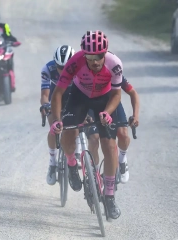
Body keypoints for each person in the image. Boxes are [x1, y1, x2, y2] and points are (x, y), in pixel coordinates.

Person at [50, 30, 125, 219]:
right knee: (68, 133)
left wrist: (107, 113)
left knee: (109, 146)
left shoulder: (114, 64)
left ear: (105, 53)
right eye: (90, 57)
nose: (95, 61)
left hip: (104, 99)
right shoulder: (75, 62)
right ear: (84, 54)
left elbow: (117, 95)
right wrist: (58, 120)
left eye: (99, 56)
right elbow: (58, 93)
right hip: (79, 97)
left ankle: (109, 197)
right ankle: (72, 164)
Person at [40, 45, 82, 185]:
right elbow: (45, 95)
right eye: (59, 66)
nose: (63, 70)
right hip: (55, 99)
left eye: (67, 67)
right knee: (54, 128)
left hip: (73, 98)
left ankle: (76, 152)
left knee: (76, 126)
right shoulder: (48, 69)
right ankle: (52, 163)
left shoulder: (81, 68)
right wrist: (45, 106)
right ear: (54, 63)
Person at [85, 76, 139, 184]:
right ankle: (94, 172)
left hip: (112, 103)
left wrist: (135, 116)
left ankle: (122, 160)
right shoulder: (85, 72)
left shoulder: (113, 71)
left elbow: (133, 93)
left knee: (123, 134)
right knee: (93, 139)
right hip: (91, 106)